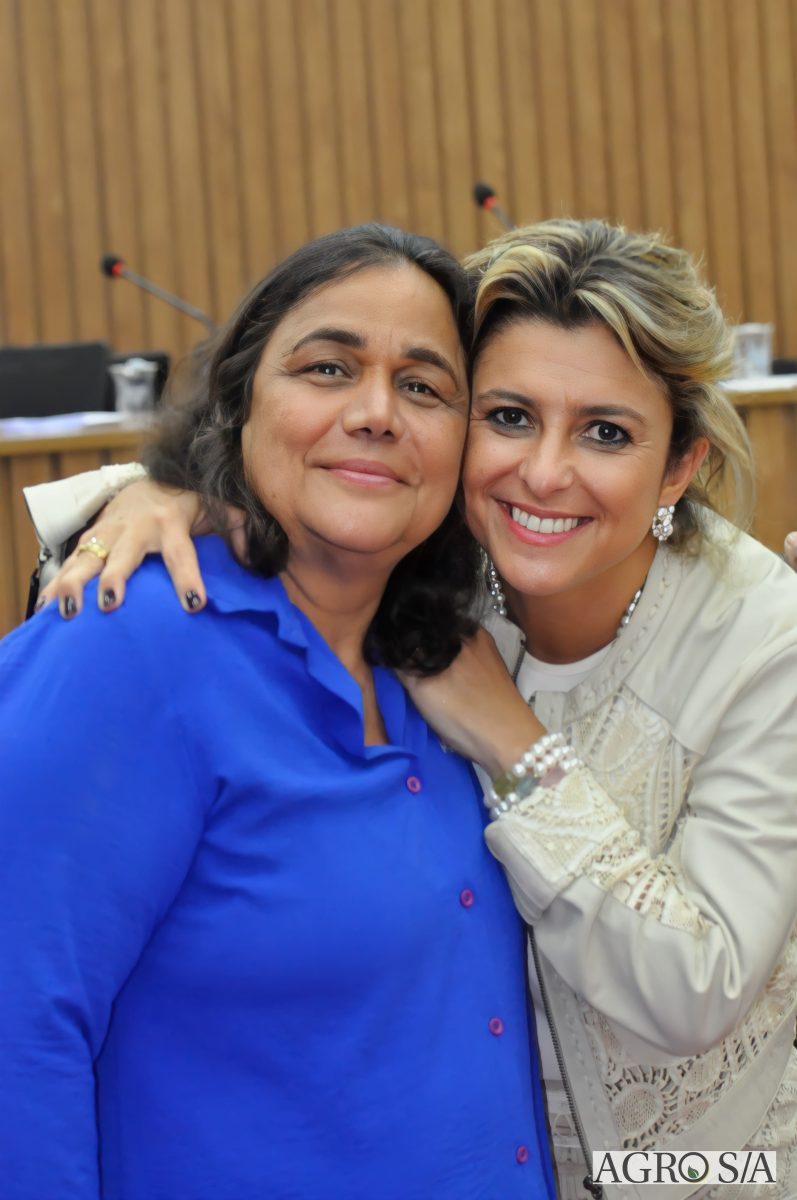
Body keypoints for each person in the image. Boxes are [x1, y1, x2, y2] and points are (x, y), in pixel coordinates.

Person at [21, 220, 797, 1200]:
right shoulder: (426, 581)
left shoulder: (761, 638)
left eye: (605, 432)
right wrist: (156, 492)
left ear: (678, 466)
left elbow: (696, 989)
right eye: (508, 416)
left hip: (714, 1175)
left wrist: (513, 743)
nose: (543, 472)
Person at [0, 225, 556, 1200]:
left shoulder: (448, 659)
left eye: (423, 386)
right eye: (327, 367)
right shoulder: (125, 645)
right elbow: (18, 1033)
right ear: (238, 401)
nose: (377, 413)